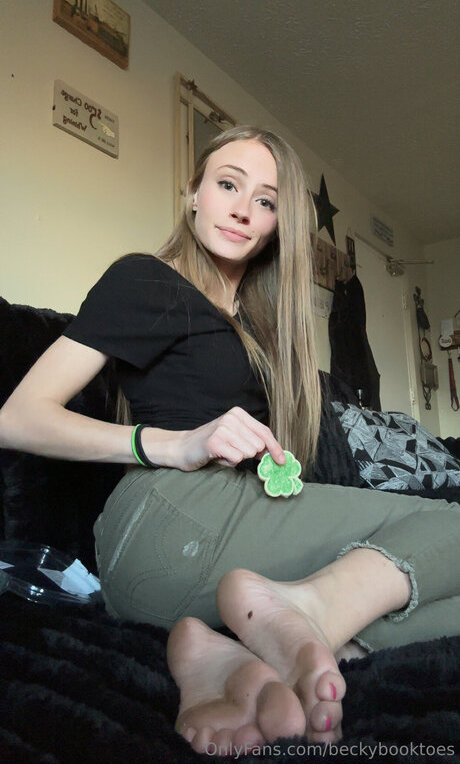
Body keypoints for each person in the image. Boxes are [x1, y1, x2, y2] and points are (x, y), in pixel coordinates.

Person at [1, 126, 460, 755]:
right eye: (227, 184)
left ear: (276, 226)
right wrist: (172, 445)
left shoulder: (257, 326)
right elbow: (17, 417)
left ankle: (233, 652)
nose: (244, 209)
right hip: (172, 515)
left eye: (265, 201)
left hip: (191, 579)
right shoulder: (148, 281)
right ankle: (311, 610)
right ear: (193, 194)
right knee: (451, 522)